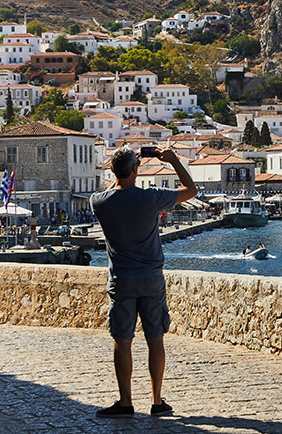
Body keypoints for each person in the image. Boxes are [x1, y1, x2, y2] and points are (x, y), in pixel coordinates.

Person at [90, 146, 196, 419]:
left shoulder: (99, 201)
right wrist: (173, 160)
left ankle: (126, 402)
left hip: (121, 279)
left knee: (122, 340)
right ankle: (156, 400)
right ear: (136, 170)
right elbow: (191, 189)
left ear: (112, 170)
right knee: (155, 339)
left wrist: (123, 166)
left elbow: (114, 187)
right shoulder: (150, 198)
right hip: (150, 277)